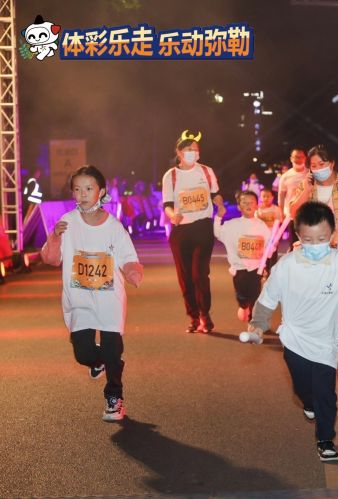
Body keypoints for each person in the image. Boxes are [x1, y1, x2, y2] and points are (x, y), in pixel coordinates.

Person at [246, 201, 338, 461]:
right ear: (298, 236)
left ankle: (325, 439)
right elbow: (268, 297)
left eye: (321, 239)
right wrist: (258, 323)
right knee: (303, 390)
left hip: (325, 344)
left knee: (325, 394)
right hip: (294, 340)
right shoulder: (287, 265)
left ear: (332, 234)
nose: (315, 244)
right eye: (308, 240)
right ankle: (308, 402)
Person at [41, 165, 143, 421]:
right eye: (77, 189)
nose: (83, 194)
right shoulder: (66, 223)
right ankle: (99, 362)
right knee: (83, 354)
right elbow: (51, 259)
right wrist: (54, 237)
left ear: (102, 192)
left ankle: (114, 398)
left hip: (109, 299)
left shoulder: (114, 226)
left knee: (112, 349)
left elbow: (128, 256)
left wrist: (132, 271)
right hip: (79, 299)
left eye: (88, 188)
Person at [289, 145, 338, 356]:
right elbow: (293, 212)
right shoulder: (306, 187)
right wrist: (306, 190)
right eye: (313, 166)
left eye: (321, 164)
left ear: (331, 164)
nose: (318, 168)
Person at [162, 130, 225, 333]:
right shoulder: (170, 176)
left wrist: (219, 202)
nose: (193, 153)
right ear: (179, 152)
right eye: (189, 149)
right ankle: (194, 316)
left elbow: (215, 195)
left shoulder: (206, 171)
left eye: (196, 150)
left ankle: (205, 314)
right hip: (181, 231)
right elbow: (167, 205)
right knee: (185, 276)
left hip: (203, 227)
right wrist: (172, 215)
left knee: (200, 274)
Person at [214, 190, 272, 329]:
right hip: (239, 269)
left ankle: (253, 321)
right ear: (239, 207)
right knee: (241, 295)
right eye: (244, 203)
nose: (248, 205)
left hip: (256, 269)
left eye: (251, 202)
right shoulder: (232, 225)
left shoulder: (261, 225)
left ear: (257, 205)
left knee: (256, 295)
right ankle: (243, 305)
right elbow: (218, 233)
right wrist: (218, 217)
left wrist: (270, 250)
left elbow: (269, 245)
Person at [278, 149, 309, 246]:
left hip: (309, 213)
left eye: (301, 157)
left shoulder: (310, 174)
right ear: (291, 159)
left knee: (309, 242)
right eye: (296, 157)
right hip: (292, 215)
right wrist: (281, 212)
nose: (298, 159)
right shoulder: (285, 176)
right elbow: (281, 195)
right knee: (295, 243)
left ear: (305, 158)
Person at [256, 189, 283, 270]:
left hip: (273, 237)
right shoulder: (257, 209)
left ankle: (272, 272)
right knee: (262, 257)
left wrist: (277, 238)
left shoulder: (276, 209)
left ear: (272, 197)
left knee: (272, 256)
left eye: (268, 196)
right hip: (261, 237)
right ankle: (263, 271)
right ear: (260, 197)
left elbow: (279, 224)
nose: (266, 198)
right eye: (263, 196)